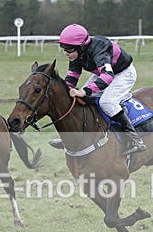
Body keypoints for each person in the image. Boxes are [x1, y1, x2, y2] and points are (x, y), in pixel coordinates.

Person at [55, 23, 146, 156]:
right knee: (80, 98)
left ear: (81, 46)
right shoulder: (77, 53)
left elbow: (107, 77)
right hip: (102, 73)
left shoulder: (100, 49)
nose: (65, 53)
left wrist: (85, 91)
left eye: (68, 49)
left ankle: (136, 140)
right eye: (63, 48)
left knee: (107, 102)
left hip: (123, 73)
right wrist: (66, 90)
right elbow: (73, 75)